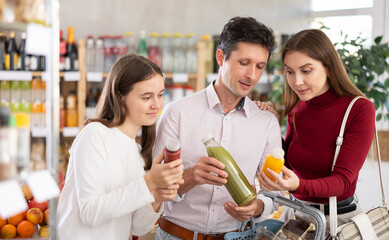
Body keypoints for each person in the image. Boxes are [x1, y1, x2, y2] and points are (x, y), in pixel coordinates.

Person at [154, 17, 282, 239]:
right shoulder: (178, 112)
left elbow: (275, 191)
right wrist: (192, 176)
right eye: (244, 63)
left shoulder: (266, 122)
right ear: (221, 57)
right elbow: (155, 187)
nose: (252, 75)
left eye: (260, 66)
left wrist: (258, 206)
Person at [57, 54, 184, 240]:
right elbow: (90, 213)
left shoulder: (135, 152)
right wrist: (149, 182)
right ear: (120, 96)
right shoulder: (95, 134)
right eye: (146, 97)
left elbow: (137, 227)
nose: (157, 105)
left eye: (160, 95)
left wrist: (156, 195)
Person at [256, 29, 376, 227]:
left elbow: (343, 181)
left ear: (328, 67)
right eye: (290, 72)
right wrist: (268, 123)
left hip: (337, 223)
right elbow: (287, 160)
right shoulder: (299, 108)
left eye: (306, 71)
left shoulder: (359, 108)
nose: (297, 82)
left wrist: (299, 186)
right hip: (296, 215)